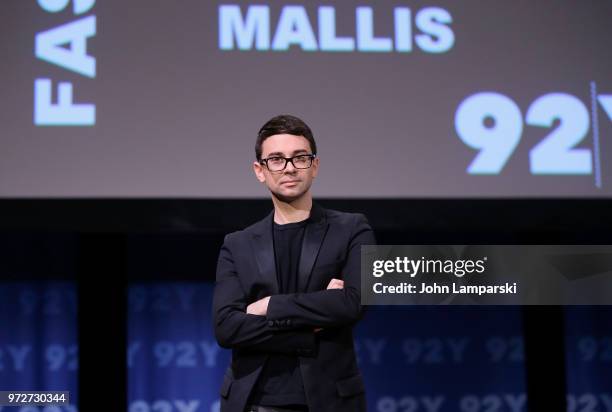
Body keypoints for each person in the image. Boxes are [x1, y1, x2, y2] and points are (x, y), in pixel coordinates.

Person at [212, 114, 376, 412]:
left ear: (314, 166)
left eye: (299, 158)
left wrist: (270, 306)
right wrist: (308, 326)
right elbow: (227, 328)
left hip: (329, 400)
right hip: (253, 402)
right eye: (276, 159)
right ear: (260, 170)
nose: (289, 168)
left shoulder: (352, 229)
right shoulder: (237, 244)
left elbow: (354, 303)